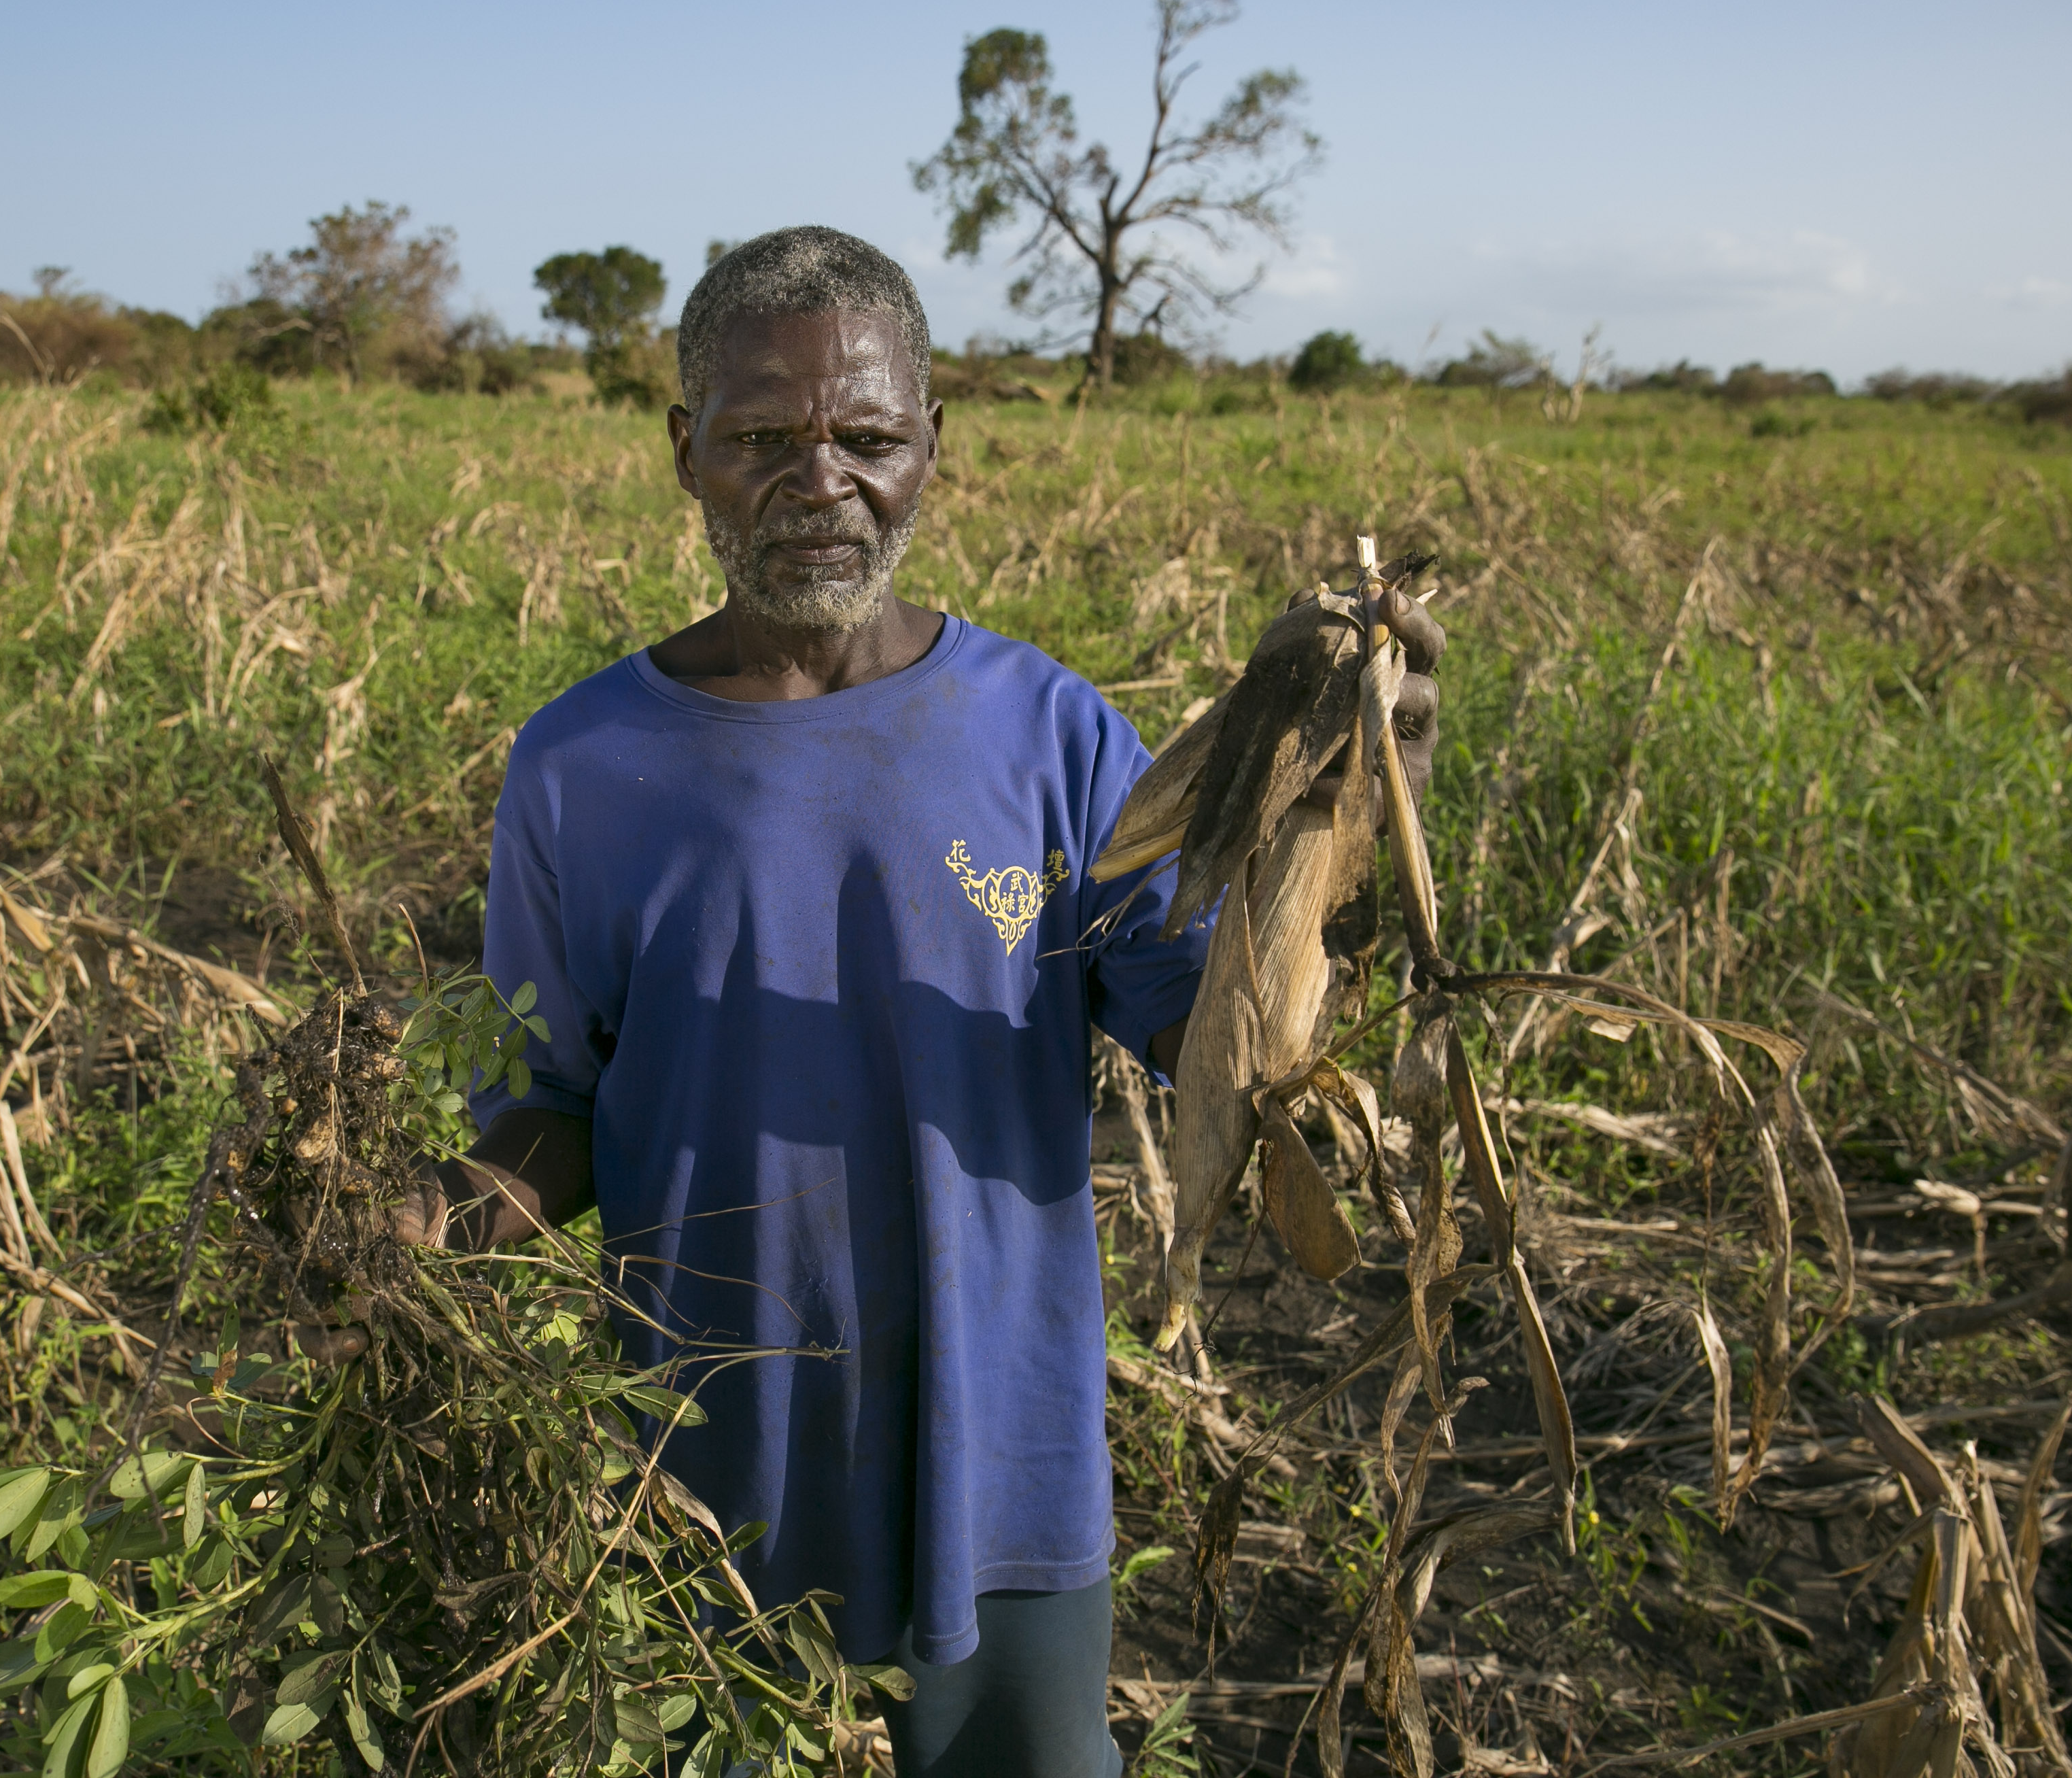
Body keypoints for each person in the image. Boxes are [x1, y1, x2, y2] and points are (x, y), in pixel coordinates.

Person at [405, 226, 1445, 1778]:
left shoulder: (1049, 736)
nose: (819, 479)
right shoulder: (581, 768)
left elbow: (1217, 1041)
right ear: (684, 450)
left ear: (931, 452)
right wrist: (414, 1229)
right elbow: (551, 1112)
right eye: (763, 438)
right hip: (707, 1474)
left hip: (1004, 1462)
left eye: (868, 437)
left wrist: (1342, 798)